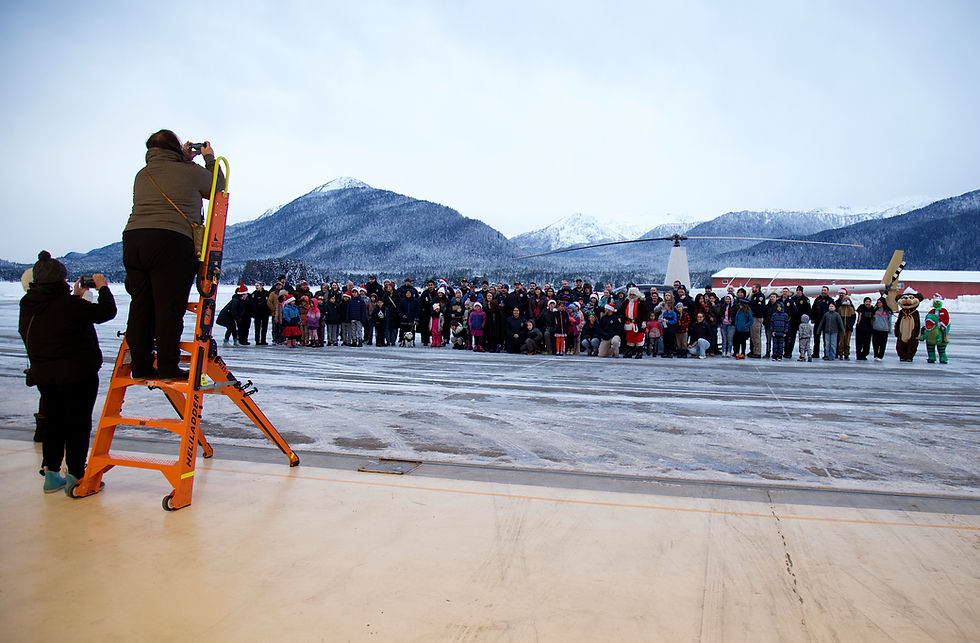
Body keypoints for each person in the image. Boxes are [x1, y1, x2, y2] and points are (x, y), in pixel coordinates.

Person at [123, 129, 224, 381]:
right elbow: (217, 186)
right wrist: (209, 158)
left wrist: (183, 159)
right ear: (175, 149)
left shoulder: (142, 174)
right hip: (171, 240)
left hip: (134, 239)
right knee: (169, 307)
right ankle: (168, 366)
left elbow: (173, 177)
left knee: (140, 307)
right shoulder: (187, 171)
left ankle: (141, 366)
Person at [19, 252, 116, 494]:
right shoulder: (70, 306)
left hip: (44, 374)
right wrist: (103, 288)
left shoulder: (29, 305)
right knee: (77, 424)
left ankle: (51, 473)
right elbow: (106, 312)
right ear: (60, 280)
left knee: (53, 421)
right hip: (76, 375)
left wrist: (75, 297)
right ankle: (75, 474)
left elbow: (56, 318)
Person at [854, 296, 875, 361]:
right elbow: (859, 315)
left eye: (869, 302)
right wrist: (858, 324)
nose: (868, 303)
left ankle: (864, 354)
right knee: (859, 343)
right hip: (860, 328)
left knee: (867, 343)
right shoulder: (861, 307)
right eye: (866, 301)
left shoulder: (872, 309)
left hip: (868, 328)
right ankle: (859, 355)